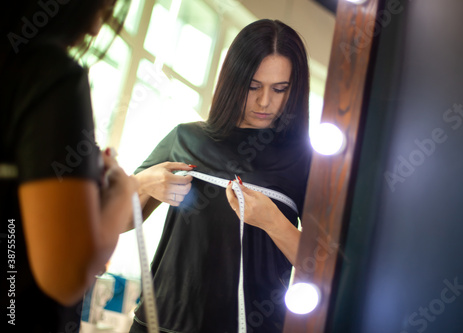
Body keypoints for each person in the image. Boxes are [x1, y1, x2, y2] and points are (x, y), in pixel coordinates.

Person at [130, 19, 312, 333]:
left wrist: (272, 220)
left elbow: (326, 268)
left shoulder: (305, 162)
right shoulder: (186, 139)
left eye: (279, 89)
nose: (264, 101)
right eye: (253, 86)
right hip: (158, 324)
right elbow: (121, 221)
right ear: (232, 80)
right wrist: (144, 182)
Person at [0, 1, 138, 331]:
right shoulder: (50, 75)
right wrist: (123, 194)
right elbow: (67, 276)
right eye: (103, 6)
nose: (96, 27)